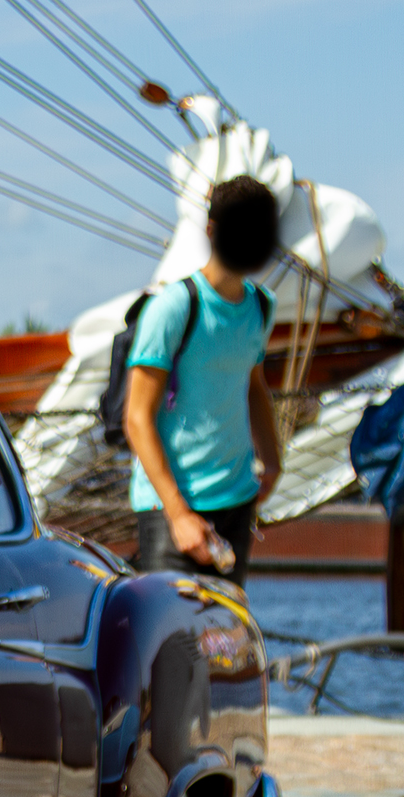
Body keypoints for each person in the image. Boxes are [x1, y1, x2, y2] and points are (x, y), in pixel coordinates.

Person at [124, 174, 282, 581]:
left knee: (226, 641)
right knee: (173, 639)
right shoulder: (173, 308)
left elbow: (253, 386)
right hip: (171, 507)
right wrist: (178, 513)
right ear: (212, 231)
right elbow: (137, 418)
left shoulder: (261, 307)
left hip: (236, 500)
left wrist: (275, 461)